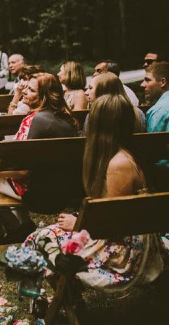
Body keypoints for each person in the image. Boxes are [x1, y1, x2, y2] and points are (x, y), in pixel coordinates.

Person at [24, 94, 163, 291]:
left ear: (98, 124)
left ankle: (69, 298)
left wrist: (79, 224)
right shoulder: (122, 154)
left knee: (42, 238)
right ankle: (68, 295)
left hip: (125, 253)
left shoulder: (118, 164)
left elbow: (114, 223)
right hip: (120, 236)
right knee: (47, 237)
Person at [0, 73, 82, 213]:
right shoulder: (68, 118)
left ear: (45, 96)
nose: (25, 92)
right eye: (26, 88)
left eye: (32, 90)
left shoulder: (35, 120)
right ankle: (19, 223)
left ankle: (5, 226)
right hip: (66, 191)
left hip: (38, 195)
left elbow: (22, 171)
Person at [141, 62, 169, 132]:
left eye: (147, 80)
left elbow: (154, 142)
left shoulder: (158, 111)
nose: (142, 84)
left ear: (163, 82)